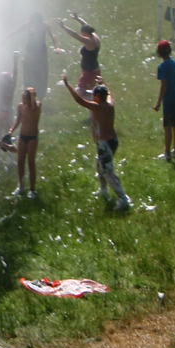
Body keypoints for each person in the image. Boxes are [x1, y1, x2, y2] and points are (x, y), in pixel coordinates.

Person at [62, 75, 130, 210]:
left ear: (98, 97)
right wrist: (103, 83)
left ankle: (123, 198)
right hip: (110, 141)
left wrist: (67, 85)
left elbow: (79, 100)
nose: (92, 97)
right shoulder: (109, 103)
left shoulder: (98, 107)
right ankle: (103, 190)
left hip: (105, 143)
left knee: (108, 171)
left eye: (94, 95)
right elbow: (110, 94)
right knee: (100, 166)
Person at [7, 86, 42, 197]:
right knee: (20, 161)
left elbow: (33, 106)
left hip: (32, 137)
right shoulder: (20, 106)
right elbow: (18, 120)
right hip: (23, 136)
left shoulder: (37, 105)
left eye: (25, 98)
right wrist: (11, 130)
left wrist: (31, 93)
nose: (23, 100)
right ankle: (21, 186)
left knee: (31, 162)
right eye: (22, 98)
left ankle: (32, 189)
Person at [153, 40, 175, 161]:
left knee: (167, 126)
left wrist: (158, 103)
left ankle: (167, 153)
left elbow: (164, 86)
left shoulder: (162, 67)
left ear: (159, 53)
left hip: (169, 99)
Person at [59, 13, 101, 93]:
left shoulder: (89, 41)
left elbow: (75, 35)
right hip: (93, 69)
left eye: (82, 33)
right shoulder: (94, 36)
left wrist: (63, 27)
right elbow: (85, 24)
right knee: (91, 90)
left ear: (86, 33)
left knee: (81, 92)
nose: (82, 34)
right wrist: (77, 18)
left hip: (90, 71)